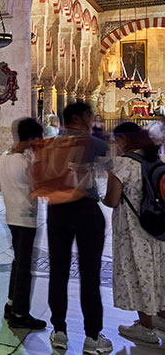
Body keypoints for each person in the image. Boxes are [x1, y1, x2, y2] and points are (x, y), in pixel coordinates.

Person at [46, 102, 112, 354]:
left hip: (57, 210)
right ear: (76, 117)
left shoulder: (50, 144)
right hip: (86, 209)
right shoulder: (96, 144)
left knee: (58, 271)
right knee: (90, 275)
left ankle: (59, 331)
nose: (92, 118)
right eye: (89, 115)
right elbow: (113, 176)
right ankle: (93, 336)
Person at [102, 122, 165, 344]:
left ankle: (146, 328)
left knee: (139, 275)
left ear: (123, 140)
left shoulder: (121, 164)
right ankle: (161, 319)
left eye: (117, 140)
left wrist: (102, 198)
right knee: (158, 273)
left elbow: (112, 199)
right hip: (157, 228)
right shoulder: (155, 159)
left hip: (133, 230)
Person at [0, 118, 46, 330]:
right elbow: (39, 189)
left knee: (18, 261)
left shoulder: (5, 157)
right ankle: (20, 314)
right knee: (24, 266)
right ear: (33, 138)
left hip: (11, 216)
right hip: (26, 218)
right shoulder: (27, 163)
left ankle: (11, 303)